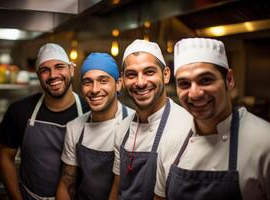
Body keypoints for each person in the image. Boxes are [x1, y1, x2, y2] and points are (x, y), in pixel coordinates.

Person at [154, 38, 270, 200]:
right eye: (184, 84)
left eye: (206, 80)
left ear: (229, 80)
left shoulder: (265, 142)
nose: (195, 93)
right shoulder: (171, 140)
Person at [0, 43, 89, 200]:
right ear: (38, 75)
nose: (53, 75)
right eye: (45, 70)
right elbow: (5, 156)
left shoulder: (90, 112)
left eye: (59, 67)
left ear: (71, 70)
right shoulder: (19, 111)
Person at [109, 39, 193, 200]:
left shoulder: (187, 127)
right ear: (124, 80)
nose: (140, 83)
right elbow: (117, 186)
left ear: (166, 75)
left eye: (149, 72)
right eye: (132, 74)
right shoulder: (122, 129)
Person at [56, 53, 134, 200]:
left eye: (103, 81)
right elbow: (66, 185)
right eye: (87, 82)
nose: (94, 89)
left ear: (118, 84)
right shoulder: (75, 128)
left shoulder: (135, 124)